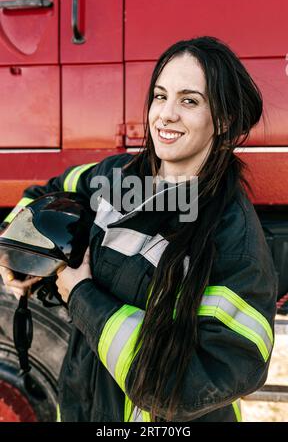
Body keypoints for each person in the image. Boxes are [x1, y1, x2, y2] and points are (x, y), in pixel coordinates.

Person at [0, 36, 278, 422]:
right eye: (160, 96)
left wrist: (81, 294)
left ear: (225, 120)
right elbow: (43, 197)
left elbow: (188, 386)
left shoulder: (233, 243)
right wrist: (17, 257)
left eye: (189, 101)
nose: (165, 114)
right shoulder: (115, 177)